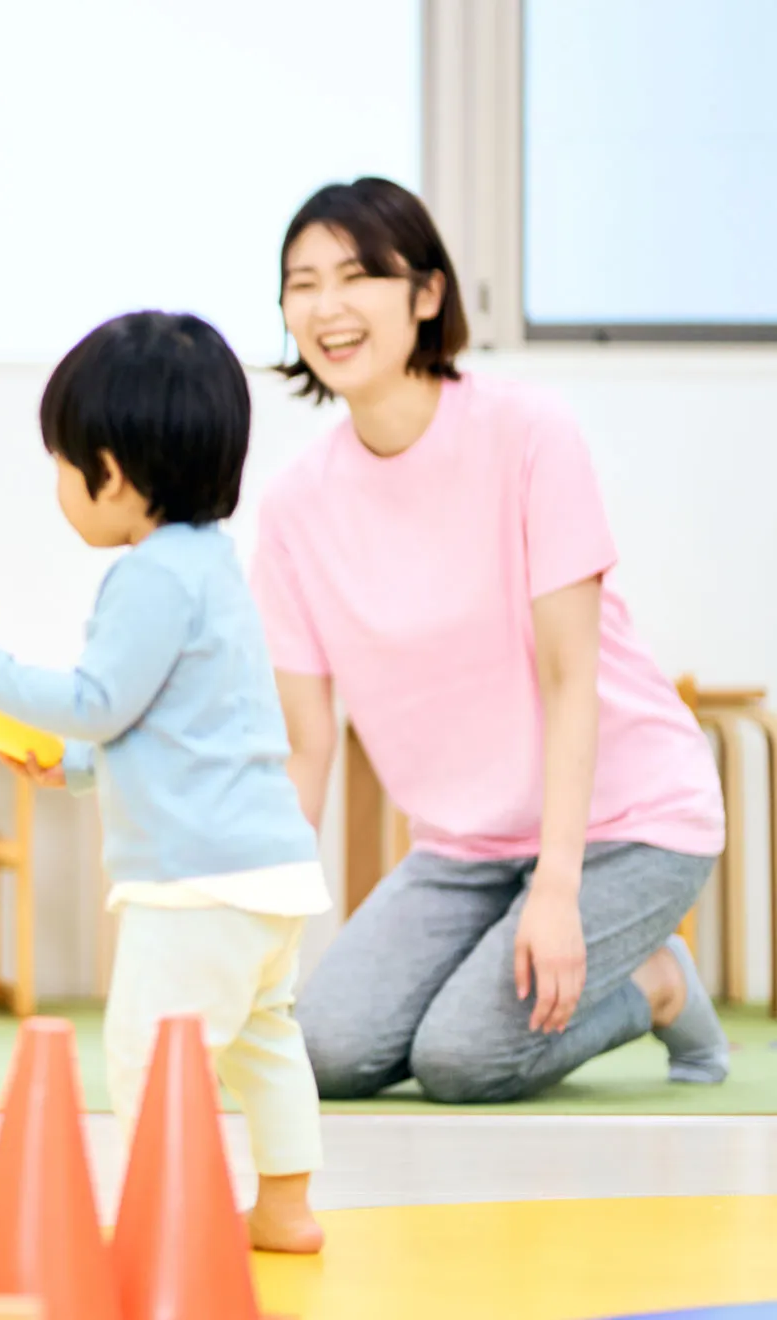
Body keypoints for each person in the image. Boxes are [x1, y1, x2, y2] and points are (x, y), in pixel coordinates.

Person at [249, 176, 729, 1105]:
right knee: (328, 1053)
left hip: (627, 823)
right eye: (301, 284)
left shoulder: (527, 432)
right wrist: (251, 911)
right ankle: (537, 963)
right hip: (463, 847)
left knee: (464, 1061)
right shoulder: (295, 507)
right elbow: (307, 745)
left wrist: (557, 891)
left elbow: (569, 676)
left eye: (358, 277)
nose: (328, 307)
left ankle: (656, 984)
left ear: (426, 295)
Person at [0, 310, 329, 1253]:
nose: (59, 487)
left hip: (195, 885)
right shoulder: (213, 567)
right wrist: (70, 767)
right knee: (263, 1045)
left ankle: (174, 1223)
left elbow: (95, 700)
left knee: (151, 1059)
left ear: (115, 474)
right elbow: (175, 724)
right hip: (271, 871)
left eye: (61, 465)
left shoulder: (151, 578)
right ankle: (284, 1209)